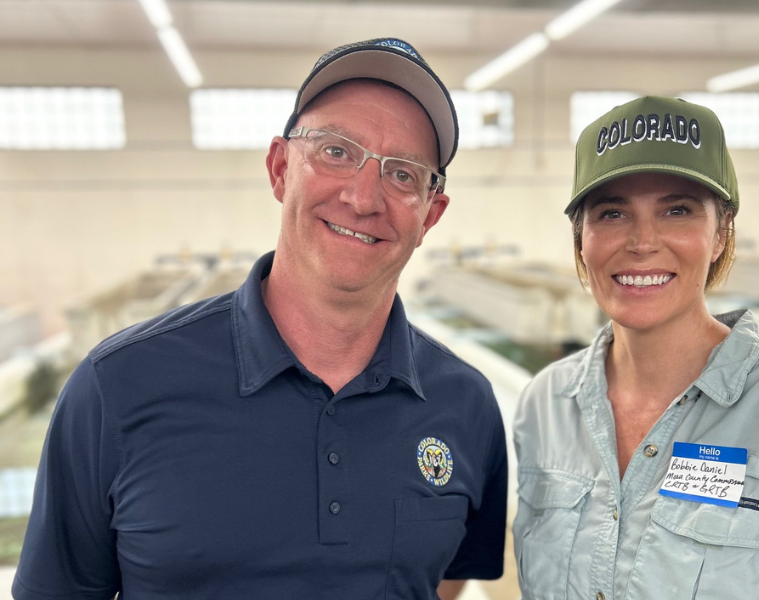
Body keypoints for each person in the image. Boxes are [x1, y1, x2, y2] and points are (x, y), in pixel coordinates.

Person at [13, 38, 507, 600]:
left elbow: (444, 579)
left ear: (430, 215)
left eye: (403, 174)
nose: (363, 196)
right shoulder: (118, 387)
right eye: (336, 151)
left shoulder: (466, 405)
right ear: (279, 169)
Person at [513, 96, 759, 600]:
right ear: (582, 239)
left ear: (721, 233)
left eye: (677, 210)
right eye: (612, 212)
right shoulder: (544, 405)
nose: (642, 241)